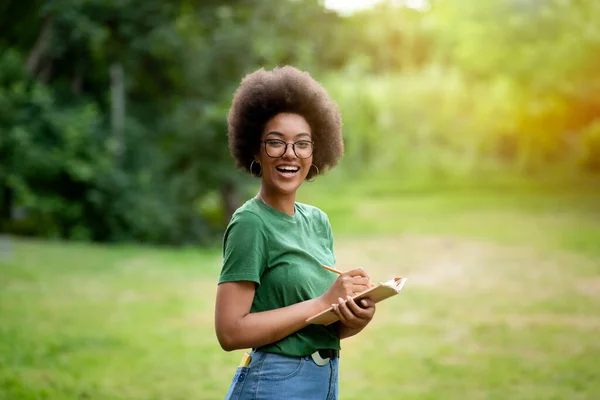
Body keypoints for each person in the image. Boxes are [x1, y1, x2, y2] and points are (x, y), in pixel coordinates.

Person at [215, 66, 376, 400]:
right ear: (255, 150)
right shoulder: (251, 223)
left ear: (315, 152)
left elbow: (313, 326)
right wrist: (323, 301)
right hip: (275, 383)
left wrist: (354, 316)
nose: (290, 154)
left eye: (302, 144)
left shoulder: (317, 221)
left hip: (324, 380)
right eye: (276, 143)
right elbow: (229, 332)